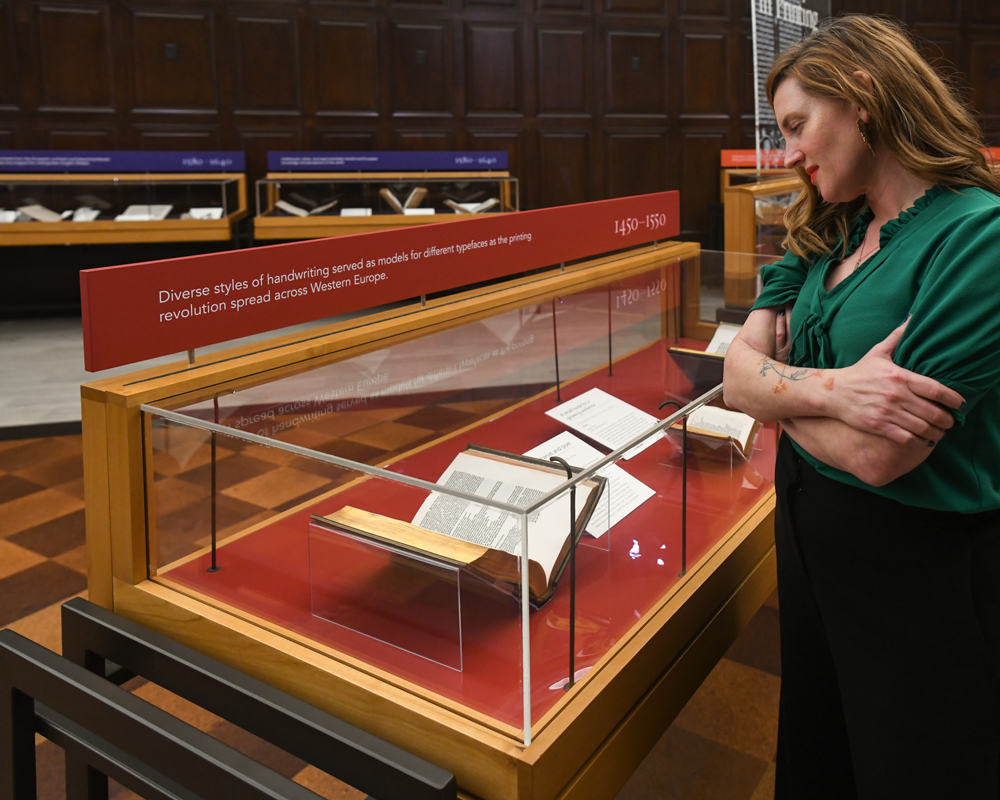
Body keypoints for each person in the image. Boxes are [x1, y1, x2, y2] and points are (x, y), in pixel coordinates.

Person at [722, 14, 1000, 799]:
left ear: (864, 96)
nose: (788, 153)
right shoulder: (830, 229)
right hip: (815, 563)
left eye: (798, 126)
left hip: (917, 578)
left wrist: (772, 394)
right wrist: (838, 391)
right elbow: (732, 376)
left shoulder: (978, 236)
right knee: (820, 761)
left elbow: (883, 456)